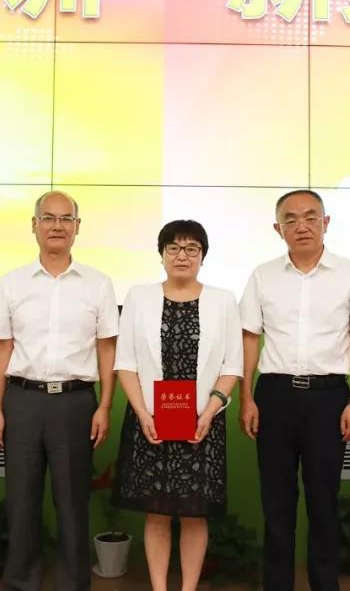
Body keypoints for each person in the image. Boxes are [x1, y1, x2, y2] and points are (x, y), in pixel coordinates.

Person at [239, 189, 350, 591]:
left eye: (310, 217)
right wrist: (247, 397)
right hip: (274, 396)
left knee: (323, 501)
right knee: (277, 503)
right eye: (290, 219)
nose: (301, 226)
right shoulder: (262, 275)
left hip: (328, 399)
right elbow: (250, 338)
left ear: (325, 222)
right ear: (278, 228)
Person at [0, 190, 119, 591]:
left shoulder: (98, 284)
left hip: (76, 403)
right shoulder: (11, 283)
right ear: (34, 225)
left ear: (77, 227)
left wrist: (105, 405)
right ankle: (20, 582)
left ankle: (73, 583)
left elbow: (107, 348)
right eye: (48, 218)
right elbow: (0, 347)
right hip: (22, 401)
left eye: (65, 219)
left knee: (73, 501)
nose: (56, 226)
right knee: (21, 500)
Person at [111, 219, 242, 591]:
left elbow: (232, 366)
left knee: (195, 514)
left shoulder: (223, 300)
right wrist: (141, 412)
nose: (182, 255)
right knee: (156, 513)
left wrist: (211, 410)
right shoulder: (138, 297)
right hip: (150, 420)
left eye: (191, 249)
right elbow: (126, 363)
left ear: (202, 256)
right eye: (174, 248)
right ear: (161, 254)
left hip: (201, 422)